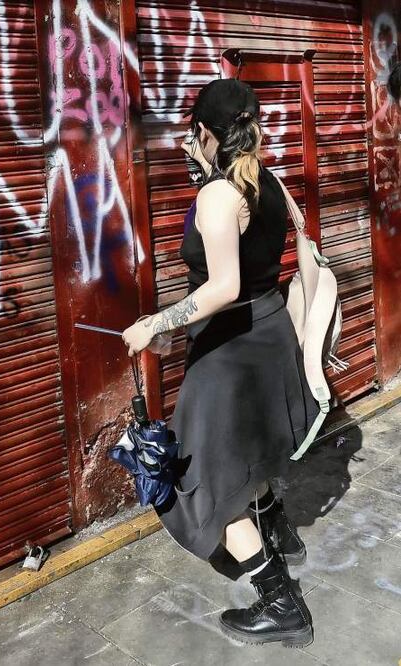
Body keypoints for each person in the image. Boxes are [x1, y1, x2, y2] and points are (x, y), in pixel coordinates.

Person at [121, 79, 319, 648]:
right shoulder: (269, 182)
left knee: (201, 480)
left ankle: (282, 603)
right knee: (248, 457)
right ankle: (279, 530)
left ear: (205, 133)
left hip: (230, 357)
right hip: (268, 335)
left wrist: (155, 324)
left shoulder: (218, 196)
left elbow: (222, 284)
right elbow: (284, 246)